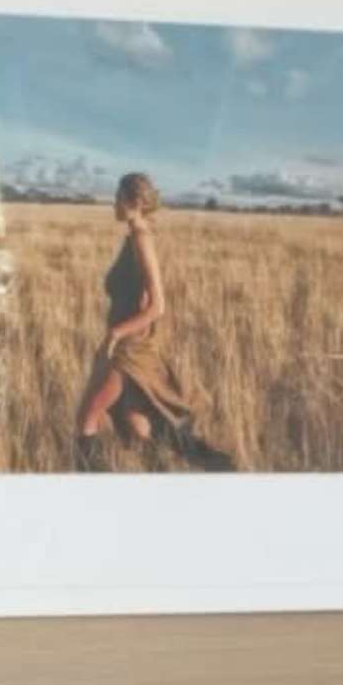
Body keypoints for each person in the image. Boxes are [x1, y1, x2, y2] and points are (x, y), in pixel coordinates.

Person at [73, 173, 233, 467]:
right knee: (138, 426)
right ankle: (210, 466)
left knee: (87, 418)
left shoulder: (142, 238)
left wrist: (115, 335)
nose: (113, 204)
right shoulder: (134, 236)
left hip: (130, 350)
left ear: (133, 202)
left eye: (118, 197)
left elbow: (158, 305)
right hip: (128, 345)